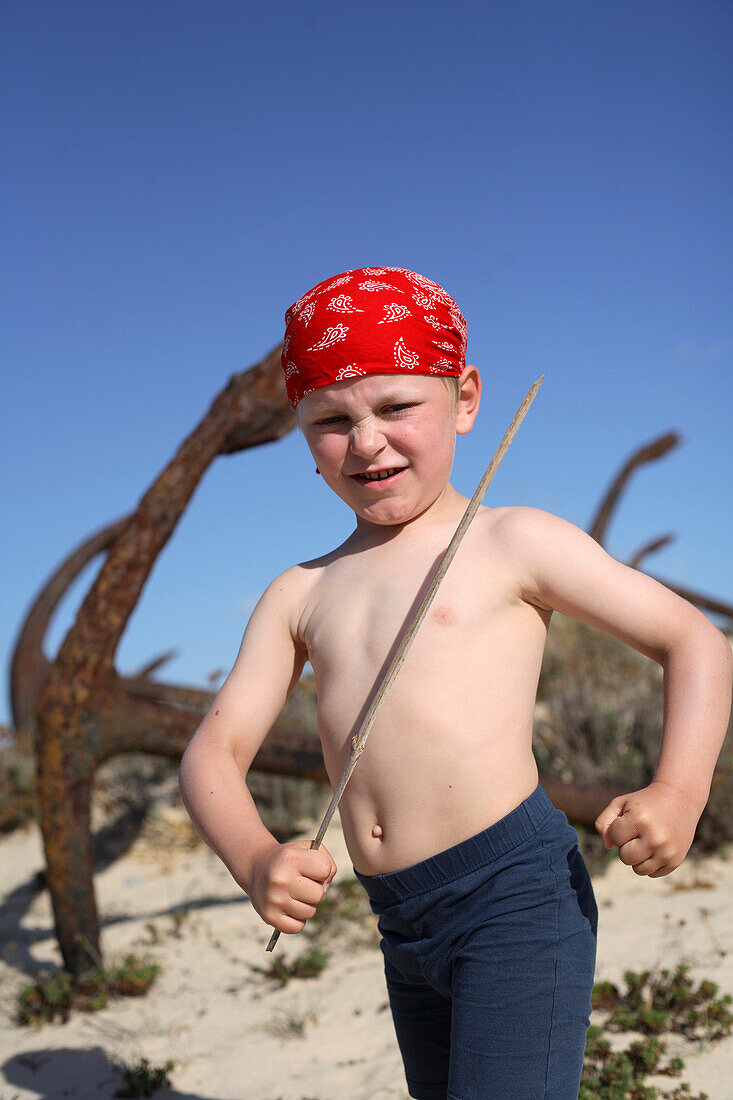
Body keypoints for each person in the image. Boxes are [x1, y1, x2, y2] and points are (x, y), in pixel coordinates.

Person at [179, 266, 732, 1099]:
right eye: (331, 421)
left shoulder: (513, 543)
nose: (365, 442)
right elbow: (213, 751)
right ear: (302, 433)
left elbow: (693, 640)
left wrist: (679, 789)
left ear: (465, 400)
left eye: (397, 407)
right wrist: (254, 857)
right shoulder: (301, 591)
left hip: (514, 897)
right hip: (398, 917)